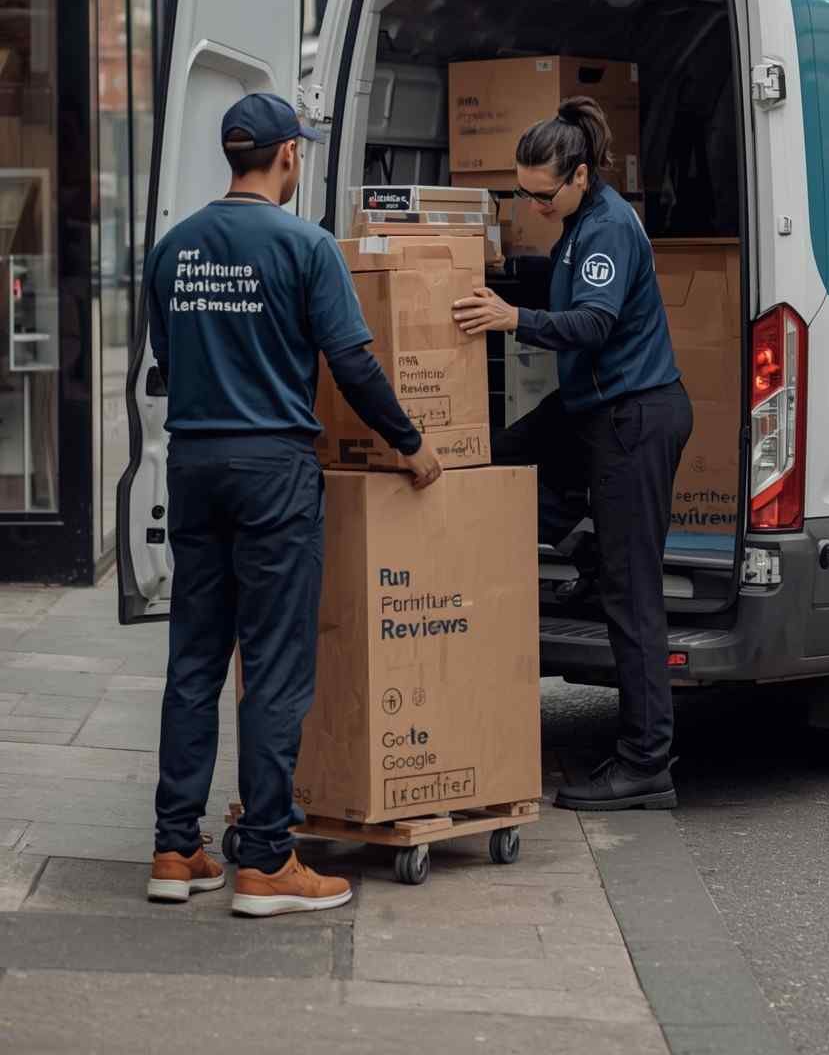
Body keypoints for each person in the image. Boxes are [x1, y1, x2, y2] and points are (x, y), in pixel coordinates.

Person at [144, 91, 442, 915]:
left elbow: (165, 360)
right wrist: (411, 444)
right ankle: (268, 860)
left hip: (195, 462)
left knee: (195, 658)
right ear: (286, 157)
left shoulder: (173, 248)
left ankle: (175, 850)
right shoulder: (305, 245)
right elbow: (353, 363)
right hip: (274, 467)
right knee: (274, 664)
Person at [453, 96, 692, 812]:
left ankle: (646, 761)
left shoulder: (610, 228)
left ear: (580, 176)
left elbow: (592, 321)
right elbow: (550, 285)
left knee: (633, 595)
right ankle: (584, 544)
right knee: (502, 463)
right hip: (593, 408)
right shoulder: (579, 222)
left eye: (538, 194)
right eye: (517, 193)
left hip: (634, 418)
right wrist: (482, 283)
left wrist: (513, 320)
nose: (528, 204)